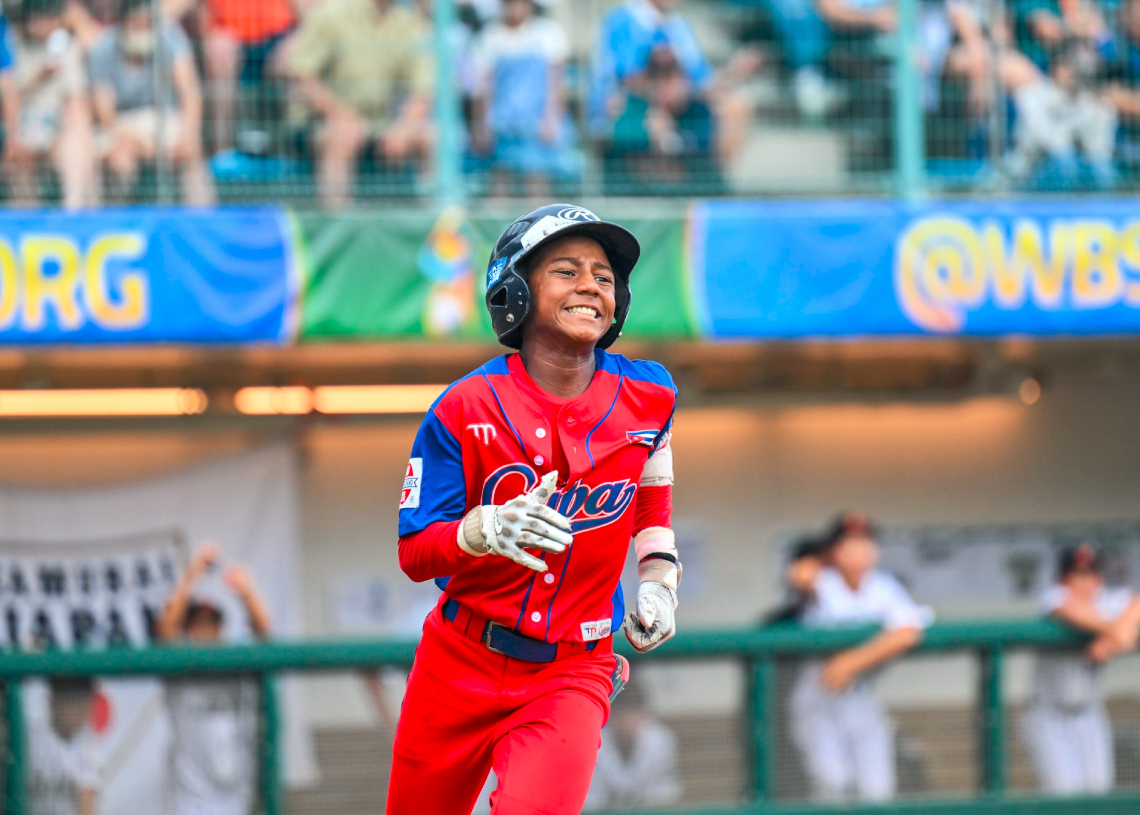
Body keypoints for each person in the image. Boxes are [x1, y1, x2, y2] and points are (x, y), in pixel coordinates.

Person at [388, 203, 680, 815]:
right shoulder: (462, 407)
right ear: (515, 288)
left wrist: (659, 578)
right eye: (566, 271)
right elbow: (414, 554)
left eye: (604, 277)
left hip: (572, 669)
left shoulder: (650, 395)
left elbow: (652, 491)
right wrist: (479, 530)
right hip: (457, 661)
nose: (590, 287)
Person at [788, 511, 932, 802]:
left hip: (861, 697)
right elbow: (800, 575)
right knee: (833, 785)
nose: (859, 552)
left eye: (865, 543)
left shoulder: (882, 585)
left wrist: (852, 661)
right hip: (818, 698)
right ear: (833, 550)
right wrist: (815, 563)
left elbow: (908, 631)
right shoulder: (822, 579)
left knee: (877, 792)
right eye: (849, 544)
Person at [157, 541, 273, 815]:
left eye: (212, 625)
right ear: (189, 632)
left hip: (237, 795)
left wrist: (246, 592)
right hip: (189, 799)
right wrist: (191, 576)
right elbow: (165, 633)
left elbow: (265, 637)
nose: (206, 632)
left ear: (220, 629)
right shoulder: (179, 669)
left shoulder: (235, 664)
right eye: (198, 626)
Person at [286, 0, 433, 209]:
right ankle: (338, 228)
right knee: (343, 135)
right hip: (323, 122)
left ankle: (436, 228)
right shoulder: (331, 14)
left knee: (432, 136)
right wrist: (342, 116)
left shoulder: (409, 23)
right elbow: (302, 76)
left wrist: (404, 129)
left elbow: (423, 88)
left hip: (380, 124)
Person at [1021, 543, 1140, 795]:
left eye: (1091, 574)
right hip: (1048, 714)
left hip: (1089, 714)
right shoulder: (1053, 597)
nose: (1085, 582)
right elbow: (1075, 612)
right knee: (1066, 795)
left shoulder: (1106, 601)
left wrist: (1108, 644)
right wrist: (1115, 636)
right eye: (1077, 574)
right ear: (1063, 579)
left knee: (1099, 794)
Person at [88, 0, 215, 204]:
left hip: (162, 119)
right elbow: (105, 113)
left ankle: (203, 218)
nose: (144, 30)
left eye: (149, 24)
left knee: (192, 150)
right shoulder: (103, 47)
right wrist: (136, 141)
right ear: (123, 23)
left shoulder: (169, 37)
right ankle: (115, 223)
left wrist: (190, 135)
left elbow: (190, 92)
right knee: (119, 159)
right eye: (138, 24)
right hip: (121, 126)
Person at [469, 0, 579, 195]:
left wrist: (552, 120)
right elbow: (482, 88)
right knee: (499, 181)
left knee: (537, 182)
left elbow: (558, 83)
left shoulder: (547, 33)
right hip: (501, 125)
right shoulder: (490, 36)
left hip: (537, 125)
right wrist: (481, 126)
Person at [5, 0, 97, 208]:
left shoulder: (65, 46)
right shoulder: (11, 45)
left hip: (55, 123)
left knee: (77, 133)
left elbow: (75, 97)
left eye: (50, 18)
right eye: (39, 18)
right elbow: (9, 97)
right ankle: (27, 216)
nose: (45, 24)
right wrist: (40, 76)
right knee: (19, 153)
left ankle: (74, 208)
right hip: (20, 124)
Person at [198, 0, 297, 153]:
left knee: (296, 60)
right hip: (229, 35)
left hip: (279, 33)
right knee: (219, 52)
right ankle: (222, 154)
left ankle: (289, 153)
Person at [583, 679, 682, 810]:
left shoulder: (661, 740)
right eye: (623, 711)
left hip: (650, 810)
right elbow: (592, 796)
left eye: (633, 711)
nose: (628, 718)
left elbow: (667, 790)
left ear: (643, 713)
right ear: (613, 714)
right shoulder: (596, 741)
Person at [27, 676, 100, 815]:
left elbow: (86, 803)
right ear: (52, 702)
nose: (79, 709)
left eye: (83, 700)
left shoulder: (88, 745)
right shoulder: (30, 739)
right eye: (72, 700)